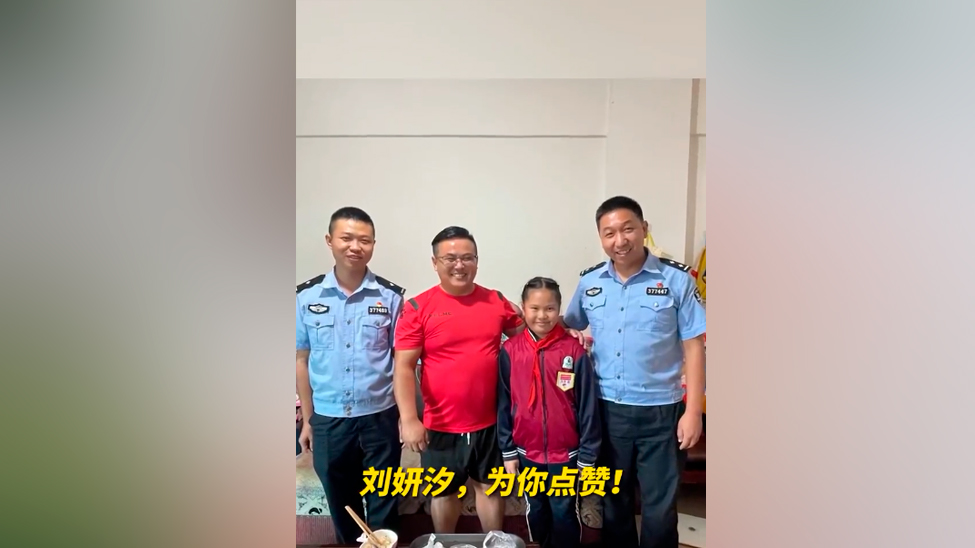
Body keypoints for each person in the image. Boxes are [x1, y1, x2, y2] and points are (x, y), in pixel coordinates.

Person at [563, 196, 706, 548]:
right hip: (606, 410)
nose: (620, 240)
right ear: (601, 238)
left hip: (662, 411)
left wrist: (693, 412)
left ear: (644, 229)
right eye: (609, 233)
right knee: (614, 500)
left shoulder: (676, 280)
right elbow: (569, 326)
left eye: (627, 229)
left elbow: (694, 347)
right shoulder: (590, 282)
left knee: (660, 506)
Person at [392, 226, 526, 534]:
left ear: (477, 261)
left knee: (490, 488)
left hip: (490, 422)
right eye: (450, 258)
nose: (459, 265)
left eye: (468, 257)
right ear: (434, 262)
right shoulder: (418, 308)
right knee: (443, 492)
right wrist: (409, 419)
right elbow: (403, 367)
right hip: (440, 424)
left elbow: (529, 339)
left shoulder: (496, 301)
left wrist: (563, 331)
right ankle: (445, 541)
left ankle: (494, 541)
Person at [296, 207, 406, 544]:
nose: (355, 246)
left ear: (373, 245)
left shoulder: (391, 297)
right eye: (346, 238)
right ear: (330, 240)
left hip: (380, 417)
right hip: (329, 419)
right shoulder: (306, 297)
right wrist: (309, 421)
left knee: (384, 500)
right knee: (343, 505)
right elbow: (301, 360)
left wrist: (406, 417)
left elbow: (401, 362)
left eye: (364, 240)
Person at [497, 277, 601, 548]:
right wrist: (508, 451)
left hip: (566, 454)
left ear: (559, 309)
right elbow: (504, 403)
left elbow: (588, 407)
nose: (542, 316)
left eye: (550, 309)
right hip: (526, 452)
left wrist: (588, 456)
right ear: (523, 308)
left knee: (564, 510)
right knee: (536, 509)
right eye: (534, 308)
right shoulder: (510, 351)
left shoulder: (574, 350)